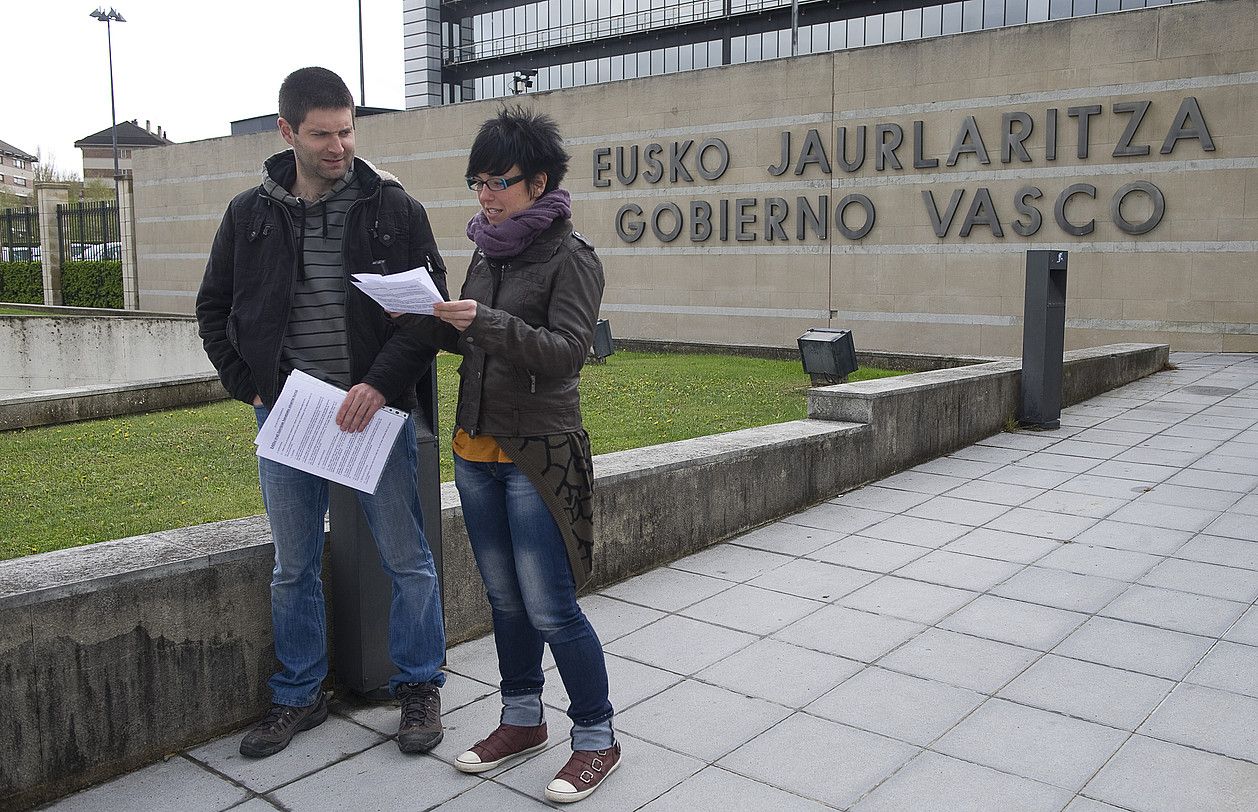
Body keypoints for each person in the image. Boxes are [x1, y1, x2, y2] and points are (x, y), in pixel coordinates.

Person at [196, 66, 448, 759]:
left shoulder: (394, 208)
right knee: (293, 563)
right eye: (323, 135)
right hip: (287, 414)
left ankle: (420, 685)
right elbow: (214, 308)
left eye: (347, 131)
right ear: (287, 132)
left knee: (408, 559)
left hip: (376, 410)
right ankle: (298, 694)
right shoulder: (249, 213)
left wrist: (377, 386)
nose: (339, 146)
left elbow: (430, 318)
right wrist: (246, 383)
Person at [419, 106, 618, 803]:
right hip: (476, 450)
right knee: (504, 600)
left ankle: (596, 736)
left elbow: (567, 355)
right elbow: (480, 344)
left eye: (498, 181)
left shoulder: (573, 257)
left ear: (538, 182)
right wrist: (432, 320)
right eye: (477, 181)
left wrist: (489, 323)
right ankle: (522, 718)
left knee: (551, 606)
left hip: (538, 452)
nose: (485, 195)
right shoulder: (485, 249)